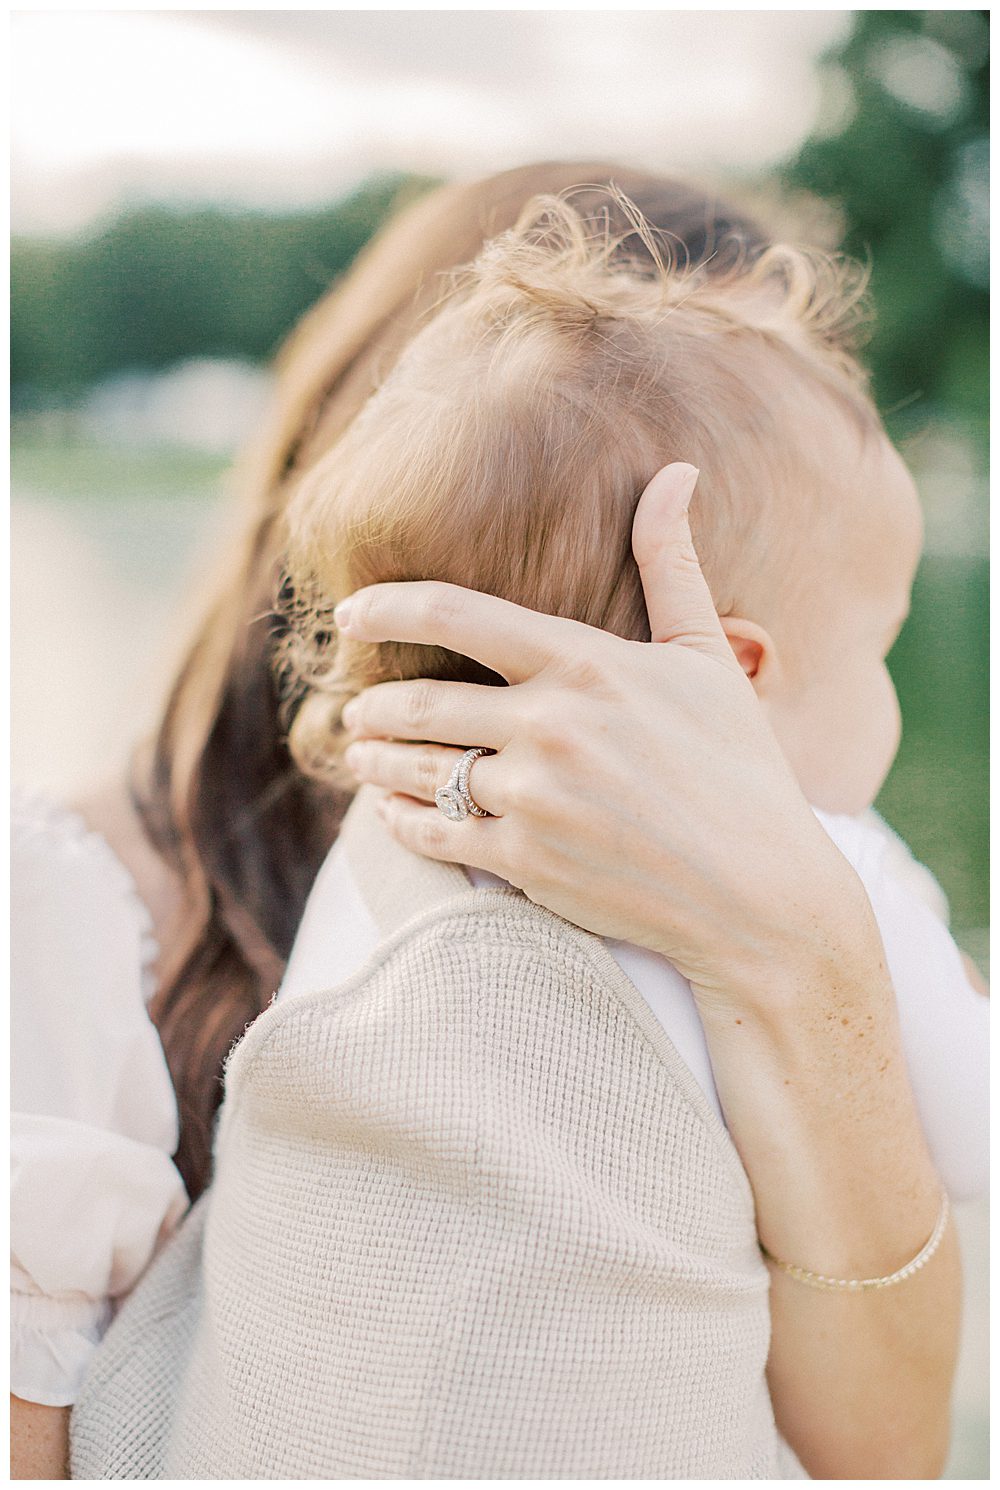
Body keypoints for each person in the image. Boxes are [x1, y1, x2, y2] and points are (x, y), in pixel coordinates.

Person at [10, 168, 984, 1477]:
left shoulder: (796, 919)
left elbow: (885, 1456)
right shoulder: (65, 908)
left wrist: (805, 955)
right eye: (673, 527)